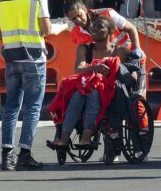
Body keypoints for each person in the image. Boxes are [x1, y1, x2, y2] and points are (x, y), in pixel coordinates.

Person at [0, 0, 55, 171]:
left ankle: (6, 155)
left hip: (11, 57)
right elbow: (46, 29)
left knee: (11, 107)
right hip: (34, 57)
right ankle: (25, 155)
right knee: (32, 107)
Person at [46, 16, 121, 149]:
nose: (94, 29)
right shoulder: (84, 49)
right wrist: (95, 68)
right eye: (93, 26)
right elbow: (78, 69)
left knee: (92, 92)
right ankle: (64, 137)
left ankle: (87, 134)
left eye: (99, 27)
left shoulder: (118, 51)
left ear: (110, 31)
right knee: (79, 95)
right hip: (85, 86)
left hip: (108, 89)